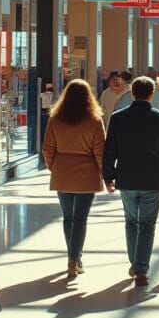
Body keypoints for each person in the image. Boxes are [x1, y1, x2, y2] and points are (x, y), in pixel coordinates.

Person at [103, 76, 159, 287]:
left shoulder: (118, 118)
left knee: (131, 222)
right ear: (152, 94)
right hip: (153, 180)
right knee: (147, 225)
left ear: (132, 93)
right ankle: (141, 269)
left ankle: (134, 262)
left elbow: (110, 150)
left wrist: (108, 176)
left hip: (126, 178)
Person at [42, 79, 106, 279]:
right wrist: (105, 173)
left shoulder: (55, 119)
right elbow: (100, 152)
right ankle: (74, 259)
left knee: (68, 217)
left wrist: (55, 167)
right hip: (86, 175)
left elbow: (47, 148)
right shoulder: (94, 121)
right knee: (80, 218)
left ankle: (73, 257)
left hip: (62, 173)